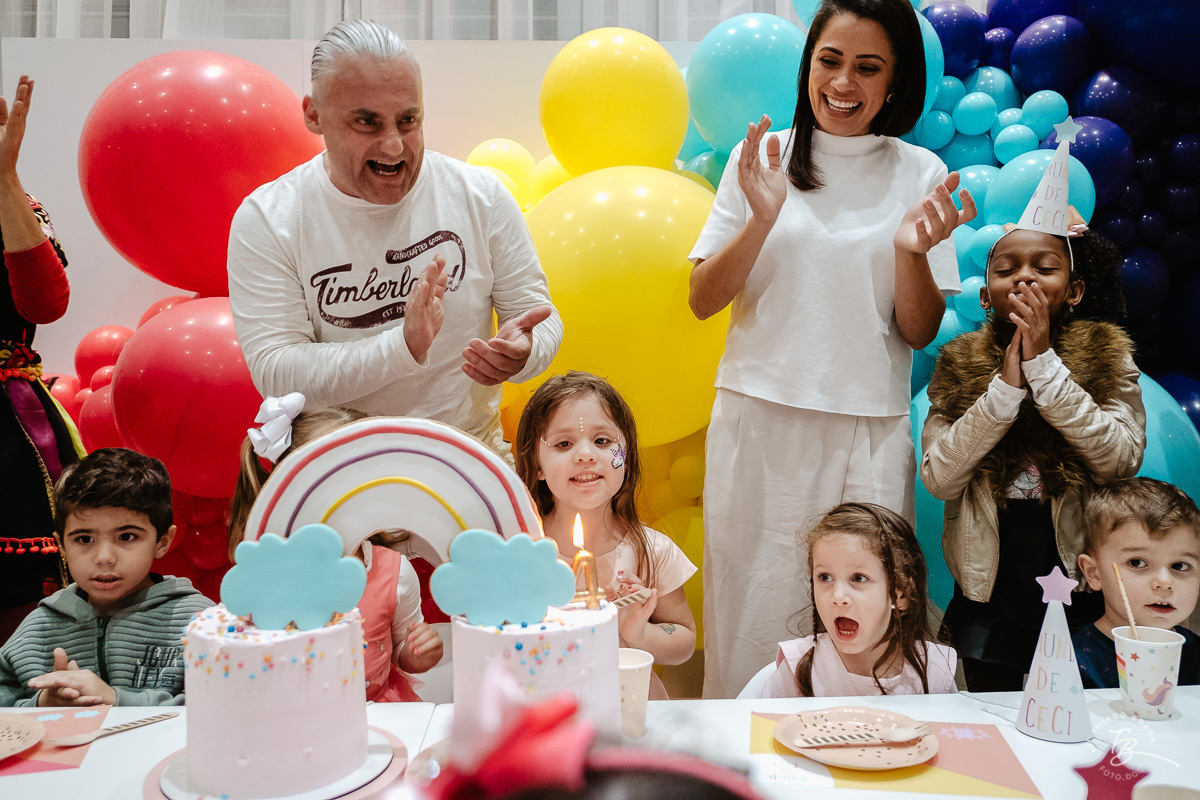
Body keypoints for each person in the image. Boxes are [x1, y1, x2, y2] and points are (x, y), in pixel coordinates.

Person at [686, 0, 973, 697]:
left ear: (894, 81)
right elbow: (701, 299)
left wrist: (911, 252)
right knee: (751, 620)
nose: (844, 83)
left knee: (868, 627)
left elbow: (918, 329)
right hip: (759, 422)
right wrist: (761, 219)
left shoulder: (920, 170)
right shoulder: (764, 159)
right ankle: (745, 770)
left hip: (866, 429)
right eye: (830, 61)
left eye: (867, 68)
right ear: (808, 65)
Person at [227, 19, 562, 462]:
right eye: (367, 123)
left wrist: (526, 352)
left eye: (409, 121)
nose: (393, 146)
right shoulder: (269, 218)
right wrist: (402, 347)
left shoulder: (480, 197)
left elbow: (538, 318)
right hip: (332, 476)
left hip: (469, 464)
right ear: (314, 115)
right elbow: (277, 371)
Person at [921, 135, 1146, 690]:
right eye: (1007, 269)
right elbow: (941, 478)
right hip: (988, 584)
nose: (1023, 277)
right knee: (992, 714)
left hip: (1075, 572)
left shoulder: (1108, 357)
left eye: (1043, 267)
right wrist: (1004, 386)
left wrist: (1044, 366)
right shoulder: (957, 366)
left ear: (1073, 290)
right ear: (985, 295)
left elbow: (1119, 460)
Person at [228, 395, 443, 701]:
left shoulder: (394, 571)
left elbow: (401, 651)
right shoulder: (266, 572)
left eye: (363, 480)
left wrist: (417, 652)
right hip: (293, 717)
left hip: (376, 718)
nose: (348, 496)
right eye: (330, 482)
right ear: (287, 488)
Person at [514, 371, 696, 699]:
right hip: (544, 715)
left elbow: (683, 641)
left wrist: (637, 631)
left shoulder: (653, 551)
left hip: (630, 714)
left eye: (602, 441)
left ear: (625, 455)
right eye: (563, 443)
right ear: (537, 464)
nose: (585, 454)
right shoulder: (518, 551)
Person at [0, 449, 211, 706]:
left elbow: (221, 707)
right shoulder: (39, 627)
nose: (104, 557)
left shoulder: (200, 623)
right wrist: (41, 704)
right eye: (84, 539)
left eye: (126, 536)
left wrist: (116, 700)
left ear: (162, 541)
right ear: (62, 546)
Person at [0, 74, 82, 645]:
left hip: (8, 432)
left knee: (21, 624)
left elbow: (46, 304)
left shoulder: (19, 207)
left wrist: (4, 181)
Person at [761, 502, 956, 698]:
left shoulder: (935, 670)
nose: (837, 597)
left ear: (901, 594)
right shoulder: (798, 667)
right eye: (825, 577)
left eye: (858, 578)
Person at [1073, 478, 1200, 689]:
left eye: (1179, 566)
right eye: (1137, 562)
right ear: (1093, 573)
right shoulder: (1071, 663)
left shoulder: (1196, 654)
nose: (1164, 582)